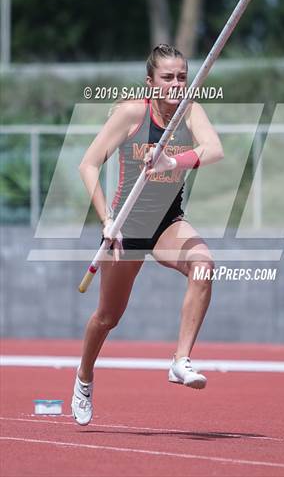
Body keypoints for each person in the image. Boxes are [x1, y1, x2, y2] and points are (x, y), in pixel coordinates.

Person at [71, 44, 224, 425]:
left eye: (182, 77)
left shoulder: (191, 111)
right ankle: (84, 378)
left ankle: (180, 360)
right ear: (150, 82)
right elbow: (88, 164)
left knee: (204, 265)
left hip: (167, 223)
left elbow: (215, 149)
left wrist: (173, 160)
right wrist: (107, 219)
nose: (176, 84)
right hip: (127, 227)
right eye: (168, 77)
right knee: (107, 317)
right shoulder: (131, 113)